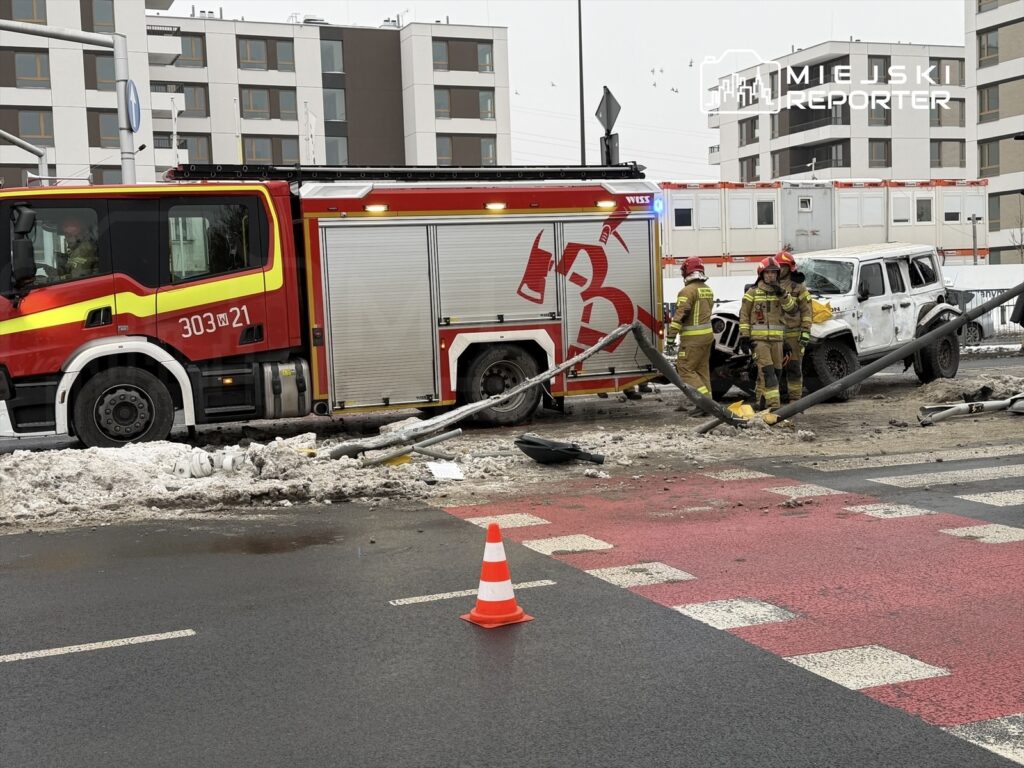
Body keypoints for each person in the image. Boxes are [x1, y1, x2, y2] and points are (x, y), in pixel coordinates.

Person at [738, 256, 798, 410]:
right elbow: (744, 316)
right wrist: (744, 337)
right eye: (768, 273)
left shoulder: (781, 293)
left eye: (774, 273)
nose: (771, 275)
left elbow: (792, 310)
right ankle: (774, 407)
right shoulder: (752, 293)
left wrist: (782, 294)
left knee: (777, 372)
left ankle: (761, 402)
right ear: (762, 274)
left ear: (777, 275)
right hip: (759, 340)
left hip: (777, 340)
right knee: (768, 372)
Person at [664, 256, 715, 415]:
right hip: (707, 338)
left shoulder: (686, 291)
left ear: (687, 272)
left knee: (685, 369)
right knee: (702, 371)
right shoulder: (707, 289)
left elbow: (681, 315)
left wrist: (671, 338)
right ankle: (710, 404)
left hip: (693, 340)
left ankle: (703, 403)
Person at [776, 250, 812, 403]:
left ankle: (795, 400)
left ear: (790, 268)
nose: (780, 269)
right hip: (775, 334)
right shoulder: (770, 285)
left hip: (793, 334)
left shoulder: (799, 288)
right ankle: (775, 399)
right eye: (778, 266)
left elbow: (807, 311)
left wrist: (805, 331)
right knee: (774, 369)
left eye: (783, 266)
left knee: (794, 368)